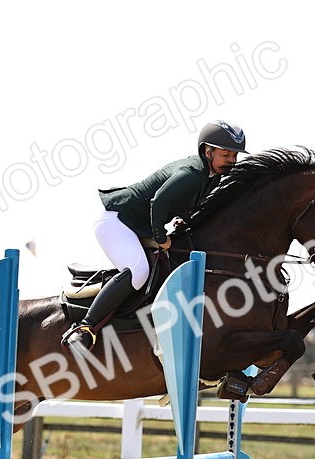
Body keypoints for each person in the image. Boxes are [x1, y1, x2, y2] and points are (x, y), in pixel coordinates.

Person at [62, 120, 248, 353]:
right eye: (227, 154)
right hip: (117, 220)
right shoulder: (192, 173)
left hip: (138, 224)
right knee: (138, 272)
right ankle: (84, 329)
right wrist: (160, 237)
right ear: (207, 151)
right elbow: (158, 202)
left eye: (234, 156)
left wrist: (183, 219)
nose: (232, 160)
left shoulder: (211, 176)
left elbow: (183, 204)